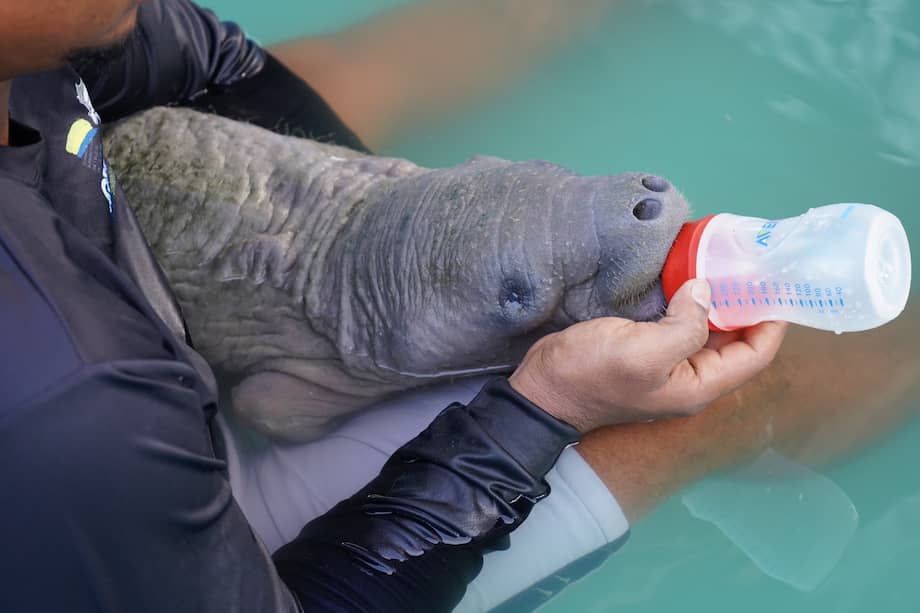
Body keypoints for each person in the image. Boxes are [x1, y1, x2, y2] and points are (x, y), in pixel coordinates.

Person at [0, 1, 910, 612]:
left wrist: (392, 228)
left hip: (114, 311)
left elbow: (205, 58)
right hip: (190, 538)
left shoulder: (34, 46)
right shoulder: (74, 404)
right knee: (713, 379)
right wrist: (547, 410)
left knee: (353, 81)